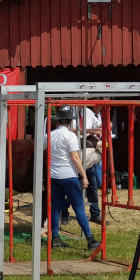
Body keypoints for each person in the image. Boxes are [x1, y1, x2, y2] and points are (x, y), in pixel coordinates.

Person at [48, 107, 100, 251]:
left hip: (53, 176)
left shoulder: (49, 135)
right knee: (79, 208)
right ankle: (90, 239)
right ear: (69, 122)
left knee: (55, 208)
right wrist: (84, 176)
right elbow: (75, 158)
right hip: (69, 176)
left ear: (58, 122)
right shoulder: (71, 136)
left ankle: (55, 238)